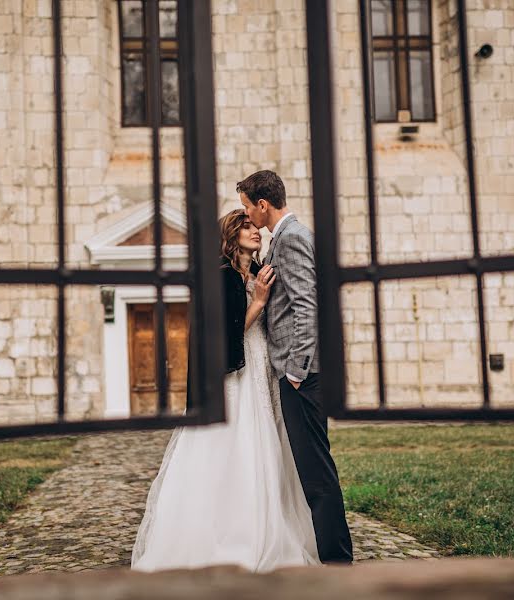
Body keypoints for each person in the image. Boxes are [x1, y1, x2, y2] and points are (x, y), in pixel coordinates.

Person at [131, 209, 320, 572]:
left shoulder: (251, 272)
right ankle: (230, 535)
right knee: (237, 441)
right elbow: (228, 333)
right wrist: (260, 301)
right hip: (236, 375)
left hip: (259, 364)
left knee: (264, 443)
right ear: (232, 236)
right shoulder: (224, 276)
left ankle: (264, 522)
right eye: (246, 227)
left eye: (254, 226)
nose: (255, 231)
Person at [238, 169, 354, 564]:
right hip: (296, 372)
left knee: (316, 471)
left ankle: (337, 560)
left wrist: (296, 371)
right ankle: (333, 554)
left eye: (247, 208)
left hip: (302, 375)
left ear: (262, 204)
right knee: (311, 469)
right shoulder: (283, 240)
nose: (248, 216)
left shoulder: (292, 238)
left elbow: (307, 305)